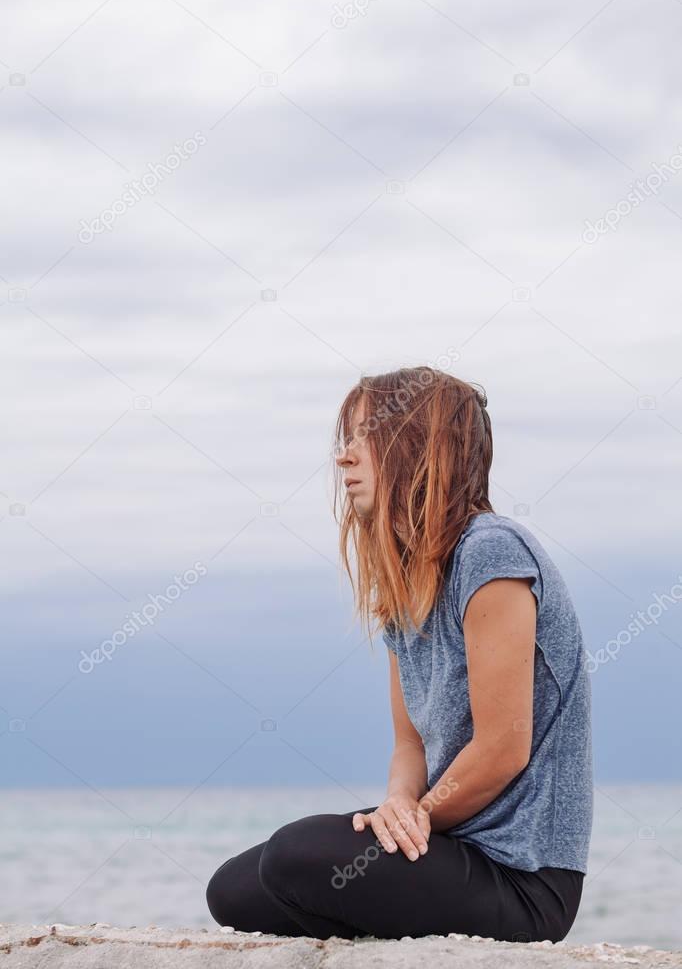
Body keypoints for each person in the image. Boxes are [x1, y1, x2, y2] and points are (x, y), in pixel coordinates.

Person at [205, 367, 593, 943]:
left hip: (523, 878)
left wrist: (415, 821)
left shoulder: (491, 552)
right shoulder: (406, 584)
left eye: (365, 436)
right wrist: (397, 803)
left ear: (420, 445)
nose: (344, 460)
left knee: (296, 855)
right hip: (450, 843)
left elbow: (502, 748)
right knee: (233, 889)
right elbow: (409, 743)